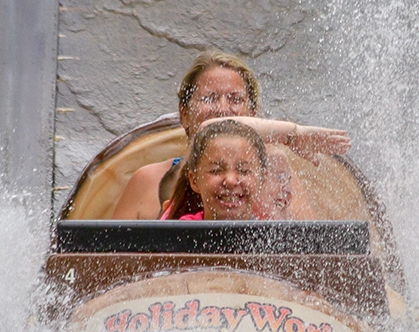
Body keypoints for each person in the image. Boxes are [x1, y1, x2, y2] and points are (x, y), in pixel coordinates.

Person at [111, 51, 351, 219]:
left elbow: (307, 251)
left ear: (253, 115)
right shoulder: (148, 180)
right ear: (184, 114)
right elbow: (108, 265)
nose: (224, 110)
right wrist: (293, 134)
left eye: (236, 100)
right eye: (210, 99)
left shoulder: (274, 171)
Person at [161, 119, 266, 221]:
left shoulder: (271, 236)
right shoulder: (179, 234)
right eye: (216, 170)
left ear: (262, 179)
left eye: (244, 171)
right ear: (194, 180)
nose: (230, 181)